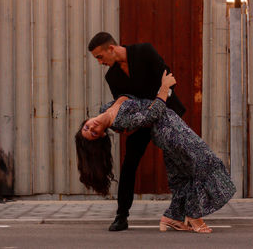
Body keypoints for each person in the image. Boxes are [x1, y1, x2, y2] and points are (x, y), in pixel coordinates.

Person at [75, 72, 236, 233]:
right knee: (205, 162)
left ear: (86, 121)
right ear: (103, 135)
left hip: (172, 124)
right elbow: (151, 115)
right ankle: (194, 216)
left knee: (181, 176)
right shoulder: (119, 122)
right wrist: (164, 87)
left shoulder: (106, 108)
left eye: (87, 127)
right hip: (171, 132)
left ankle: (172, 217)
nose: (92, 127)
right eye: (93, 133)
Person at [87, 32, 186, 231]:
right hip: (141, 122)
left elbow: (169, 81)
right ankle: (121, 216)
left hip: (166, 115)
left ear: (111, 49)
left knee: (178, 163)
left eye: (100, 57)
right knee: (129, 164)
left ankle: (183, 212)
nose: (100, 62)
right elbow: (124, 101)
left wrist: (156, 108)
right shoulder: (112, 76)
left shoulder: (144, 51)